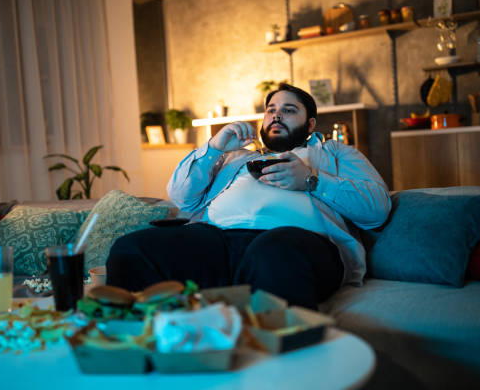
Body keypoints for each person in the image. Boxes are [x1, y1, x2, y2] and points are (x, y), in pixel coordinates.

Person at [106, 83, 391, 309]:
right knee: (132, 249)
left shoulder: (337, 154)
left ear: (311, 124)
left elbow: (377, 208)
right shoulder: (235, 158)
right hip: (218, 241)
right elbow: (181, 197)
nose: (277, 115)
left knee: (272, 253)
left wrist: (311, 181)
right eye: (271, 109)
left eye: (290, 110)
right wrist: (215, 147)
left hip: (298, 242)